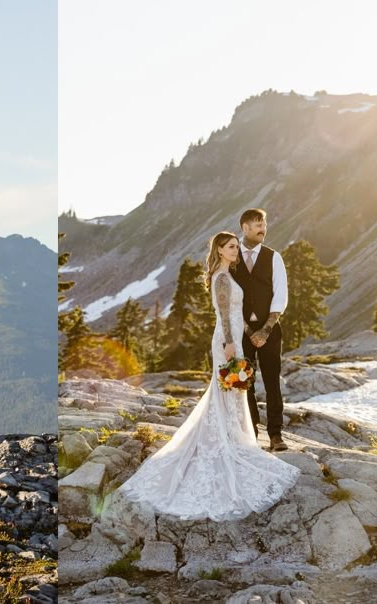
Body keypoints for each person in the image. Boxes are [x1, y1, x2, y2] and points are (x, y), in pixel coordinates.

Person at [112, 233, 298, 522]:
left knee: (233, 391)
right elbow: (224, 314)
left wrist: (249, 334)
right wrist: (229, 342)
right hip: (227, 340)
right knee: (227, 389)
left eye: (237, 246)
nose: (237, 250)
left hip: (236, 335)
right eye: (232, 247)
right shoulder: (222, 278)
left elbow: (237, 314)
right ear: (220, 251)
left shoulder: (227, 274)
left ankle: (234, 437)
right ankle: (226, 440)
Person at [232, 207, 289, 451]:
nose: (263, 228)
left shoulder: (273, 257)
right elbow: (229, 298)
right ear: (245, 227)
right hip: (240, 331)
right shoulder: (232, 257)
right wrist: (247, 331)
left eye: (264, 223)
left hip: (270, 330)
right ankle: (251, 433)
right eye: (258, 224)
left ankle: (276, 435)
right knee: (245, 382)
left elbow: (281, 296)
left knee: (272, 381)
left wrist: (265, 330)